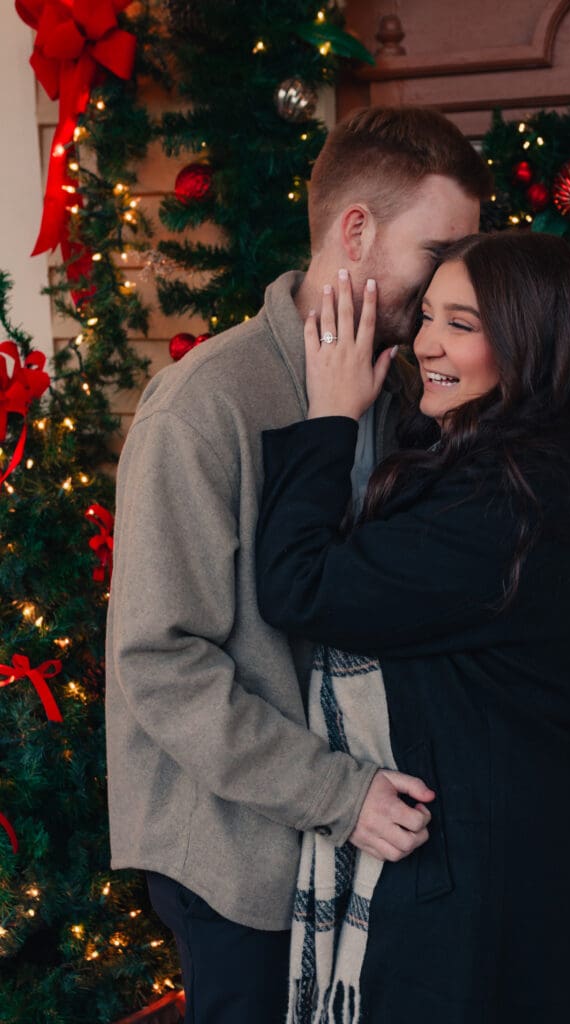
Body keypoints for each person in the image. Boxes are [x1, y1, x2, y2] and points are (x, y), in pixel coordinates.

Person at [104, 106, 491, 1023]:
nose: (456, 279)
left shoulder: (413, 390)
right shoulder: (206, 405)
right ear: (355, 230)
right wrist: (335, 794)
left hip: (374, 840)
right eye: (439, 252)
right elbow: (160, 662)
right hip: (243, 857)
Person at [255, 231, 570, 1023]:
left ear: (529, 345)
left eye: (461, 325)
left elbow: (299, 586)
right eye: (428, 316)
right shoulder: (521, 464)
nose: (425, 343)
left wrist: (330, 417)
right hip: (506, 845)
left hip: (482, 869)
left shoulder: (510, 497)